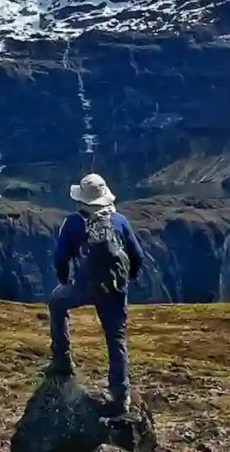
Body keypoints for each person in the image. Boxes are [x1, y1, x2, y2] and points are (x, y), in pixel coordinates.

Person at [47, 173, 144, 415]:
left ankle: (62, 361)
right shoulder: (119, 220)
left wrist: (65, 282)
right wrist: (128, 279)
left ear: (81, 199)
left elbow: (60, 258)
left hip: (84, 287)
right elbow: (137, 255)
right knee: (116, 338)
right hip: (115, 288)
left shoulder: (72, 224)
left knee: (57, 303)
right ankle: (121, 397)